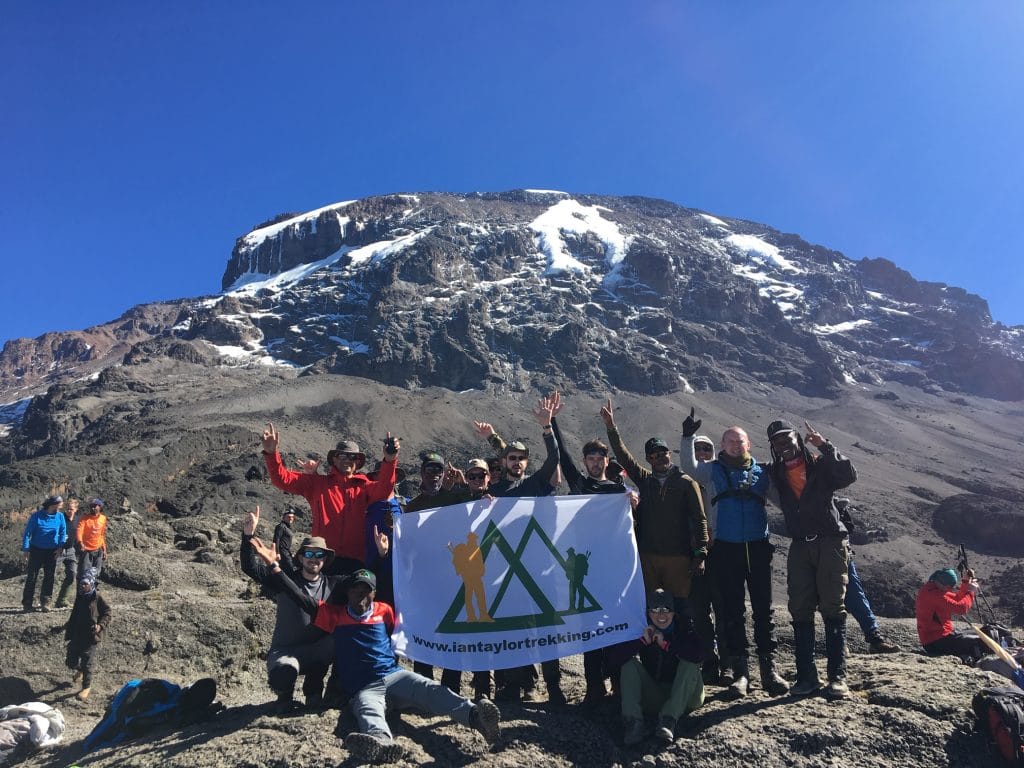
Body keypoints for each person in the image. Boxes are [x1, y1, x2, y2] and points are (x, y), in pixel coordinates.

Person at [249, 542, 502, 764]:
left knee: (431, 689)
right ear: (347, 592)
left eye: (366, 590)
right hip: (364, 687)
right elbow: (298, 596)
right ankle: (381, 743)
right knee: (368, 710)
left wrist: (383, 557)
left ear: (374, 593)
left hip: (395, 676)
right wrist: (275, 568)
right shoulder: (333, 615)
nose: (361, 595)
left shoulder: (385, 611)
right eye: (356, 590)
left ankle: (476, 717)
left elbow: (412, 612)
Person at [679, 410, 788, 699]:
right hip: (726, 548)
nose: (734, 445)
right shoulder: (712, 470)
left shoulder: (763, 472)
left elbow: (784, 500)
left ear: (748, 444)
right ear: (723, 445)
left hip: (757, 546)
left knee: (764, 610)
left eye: (739, 441)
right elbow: (689, 467)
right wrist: (687, 436)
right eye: (728, 441)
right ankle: (741, 673)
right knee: (733, 611)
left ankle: (769, 671)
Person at [473, 396, 564, 704]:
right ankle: (513, 686)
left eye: (521, 458)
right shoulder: (494, 492)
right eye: (511, 457)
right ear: (504, 462)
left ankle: (553, 686)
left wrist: (547, 427)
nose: (516, 462)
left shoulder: (536, 484)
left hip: (539, 567)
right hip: (506, 571)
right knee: (513, 628)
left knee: (546, 627)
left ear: (526, 462)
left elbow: (554, 459)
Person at [765, 419, 856, 699]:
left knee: (832, 606)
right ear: (773, 447)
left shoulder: (819, 464)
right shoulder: (775, 472)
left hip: (830, 541)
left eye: (788, 439)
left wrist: (825, 445)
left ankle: (837, 678)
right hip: (800, 546)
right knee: (800, 607)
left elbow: (848, 475)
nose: (785, 446)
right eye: (778, 442)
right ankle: (807, 677)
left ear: (798, 438)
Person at [546, 391, 627, 705]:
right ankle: (595, 688)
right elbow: (562, 455)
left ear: (607, 461)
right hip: (586, 571)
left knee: (617, 628)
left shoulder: (619, 490)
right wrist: (552, 421)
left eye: (599, 459)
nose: (595, 463)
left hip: (615, 569)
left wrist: (632, 499)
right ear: (585, 462)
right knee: (592, 629)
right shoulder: (580, 485)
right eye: (590, 459)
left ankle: (620, 686)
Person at [600, 399, 708, 603]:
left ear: (669, 454)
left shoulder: (686, 482)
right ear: (649, 459)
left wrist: (700, 554)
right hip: (648, 556)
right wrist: (611, 428)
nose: (659, 458)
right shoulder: (645, 480)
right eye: (653, 455)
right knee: (652, 606)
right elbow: (625, 458)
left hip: (679, 557)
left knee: (679, 607)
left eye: (662, 453)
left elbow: (699, 518)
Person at [240, 506, 344, 713]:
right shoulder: (284, 580)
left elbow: (363, 586)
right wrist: (247, 536)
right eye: (309, 553)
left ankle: (315, 693)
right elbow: (250, 568)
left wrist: (382, 554)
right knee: (283, 674)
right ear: (301, 557)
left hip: (318, 651)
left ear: (325, 560)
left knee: (347, 640)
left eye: (319, 555)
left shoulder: (334, 585)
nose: (314, 558)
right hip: (286, 652)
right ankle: (284, 696)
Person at [261, 423, 399, 574]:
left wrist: (390, 459)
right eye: (342, 455)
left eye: (352, 456)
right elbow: (282, 479)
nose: (347, 459)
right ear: (334, 459)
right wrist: (271, 453)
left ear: (357, 462)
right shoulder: (317, 484)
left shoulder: (365, 486)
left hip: (355, 561)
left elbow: (385, 489)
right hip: (323, 559)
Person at [611, 589, 704, 746]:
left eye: (666, 610)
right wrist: (641, 642)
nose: (661, 615)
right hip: (657, 695)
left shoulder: (684, 628)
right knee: (628, 664)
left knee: (689, 663)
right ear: (648, 613)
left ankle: (668, 721)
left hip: (688, 696)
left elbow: (699, 655)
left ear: (674, 613)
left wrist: (666, 644)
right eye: (655, 610)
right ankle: (634, 723)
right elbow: (614, 660)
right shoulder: (642, 630)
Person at [835, 498, 899, 653]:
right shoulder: (816, 501)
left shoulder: (832, 502)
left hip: (842, 556)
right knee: (836, 601)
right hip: (829, 556)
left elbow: (848, 528)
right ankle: (840, 643)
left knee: (856, 598)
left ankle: (875, 639)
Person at [915, 567, 985, 663]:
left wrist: (965, 582)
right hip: (937, 642)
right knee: (978, 642)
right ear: (942, 583)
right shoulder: (934, 595)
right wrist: (971, 592)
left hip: (938, 638)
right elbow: (961, 608)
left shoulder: (932, 588)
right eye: (949, 587)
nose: (951, 589)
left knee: (978, 635)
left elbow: (957, 598)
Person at [65, 567, 111, 701]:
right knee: (70, 660)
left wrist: (100, 625)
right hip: (78, 633)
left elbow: (108, 613)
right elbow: (75, 613)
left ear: (91, 584)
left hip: (91, 635)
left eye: (86, 583)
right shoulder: (80, 596)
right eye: (81, 584)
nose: (83, 586)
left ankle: (86, 687)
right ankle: (80, 670)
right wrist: (68, 628)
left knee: (88, 663)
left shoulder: (98, 597)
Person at [21, 495, 68, 612]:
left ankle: (46, 602)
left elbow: (63, 532)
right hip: (36, 549)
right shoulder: (36, 516)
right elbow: (27, 534)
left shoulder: (60, 516)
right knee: (32, 576)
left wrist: (60, 547)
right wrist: (26, 550)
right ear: (53, 504)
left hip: (52, 551)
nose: (62, 505)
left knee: (49, 576)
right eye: (60, 503)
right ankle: (27, 603)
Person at [54, 498, 80, 609]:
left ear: (76, 509)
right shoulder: (60, 518)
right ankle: (46, 599)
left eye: (71, 509)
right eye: (67, 508)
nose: (69, 511)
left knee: (72, 574)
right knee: (50, 575)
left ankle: (62, 600)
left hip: (71, 550)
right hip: (58, 550)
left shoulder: (78, 520)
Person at [76, 499, 108, 577]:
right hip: (86, 549)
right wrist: (80, 542)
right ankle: (85, 588)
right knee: (86, 573)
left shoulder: (103, 519)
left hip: (98, 549)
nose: (92, 508)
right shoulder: (84, 519)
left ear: (100, 507)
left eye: (94, 506)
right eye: (91, 506)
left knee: (96, 573)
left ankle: (93, 588)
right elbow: (79, 531)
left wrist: (104, 550)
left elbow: (102, 534)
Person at [273, 508, 298, 574]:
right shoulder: (280, 527)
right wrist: (277, 553)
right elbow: (276, 540)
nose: (291, 518)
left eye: (292, 517)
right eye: (289, 517)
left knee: (285, 570)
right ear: (283, 517)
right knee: (292, 569)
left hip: (287, 552)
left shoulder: (287, 527)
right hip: (282, 552)